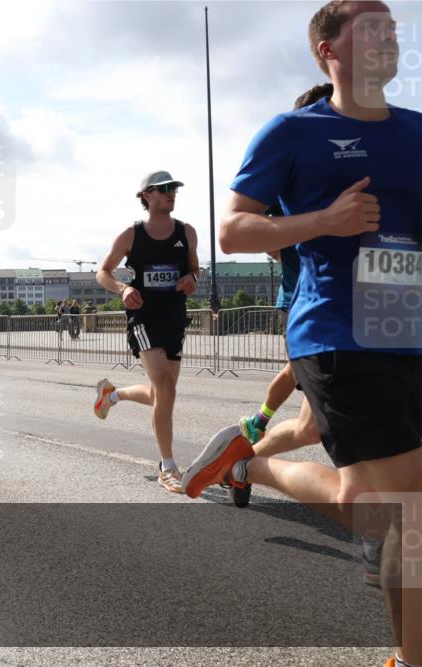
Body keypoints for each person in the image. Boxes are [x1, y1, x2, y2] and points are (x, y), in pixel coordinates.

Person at [181, 4, 420, 665]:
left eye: (393, 29)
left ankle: (250, 462)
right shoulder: (293, 131)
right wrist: (325, 220)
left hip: (410, 325)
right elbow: (233, 230)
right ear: (327, 51)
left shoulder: (419, 132)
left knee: (365, 499)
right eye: (370, 29)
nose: (388, 38)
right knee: (408, 505)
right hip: (340, 331)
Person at [230, 84, 336, 509]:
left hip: (365, 312)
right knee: (299, 380)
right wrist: (294, 232)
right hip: (305, 303)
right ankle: (254, 431)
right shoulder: (290, 174)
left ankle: (245, 459)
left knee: (311, 427)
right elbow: (240, 230)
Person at [94, 169, 199, 494]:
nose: (171, 193)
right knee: (165, 389)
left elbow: (195, 268)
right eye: (164, 189)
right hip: (143, 319)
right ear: (146, 196)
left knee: (161, 395)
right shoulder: (131, 234)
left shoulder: (187, 232)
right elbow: (103, 272)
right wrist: (123, 289)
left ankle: (111, 395)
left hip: (174, 318)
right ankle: (167, 466)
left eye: (174, 189)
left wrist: (193, 279)